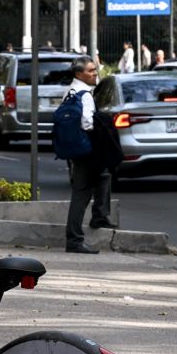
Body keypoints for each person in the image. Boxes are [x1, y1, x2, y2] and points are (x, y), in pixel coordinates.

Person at [63, 56, 116, 254]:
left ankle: (99, 216)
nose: (95, 73)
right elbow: (87, 123)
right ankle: (75, 240)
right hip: (86, 150)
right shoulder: (84, 94)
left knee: (100, 179)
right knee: (81, 194)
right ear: (79, 73)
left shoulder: (70, 91)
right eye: (91, 70)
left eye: (95, 69)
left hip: (75, 149)